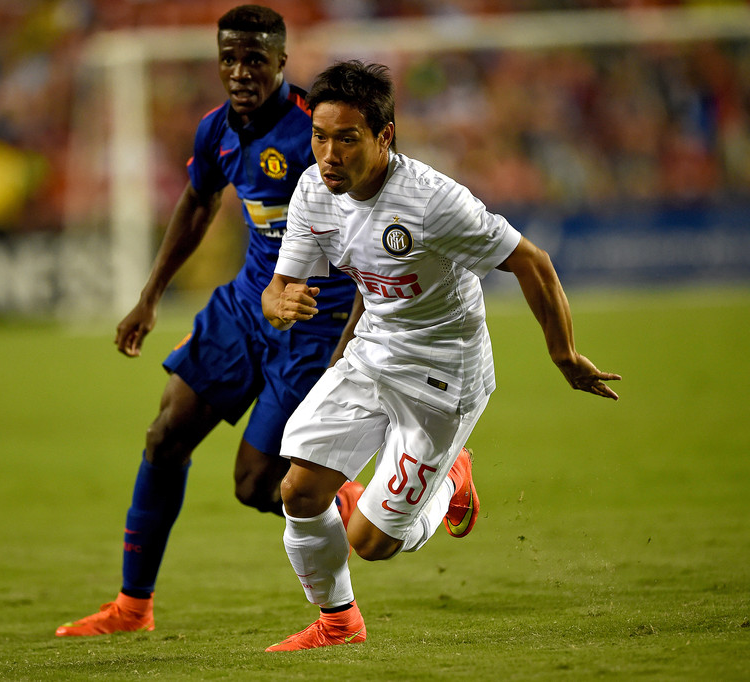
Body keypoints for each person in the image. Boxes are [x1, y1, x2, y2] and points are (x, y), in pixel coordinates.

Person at [260, 60, 621, 652]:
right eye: (319, 137)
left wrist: (564, 354)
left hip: (443, 374)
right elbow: (279, 291)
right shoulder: (312, 191)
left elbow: (531, 261)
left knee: (370, 543)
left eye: (346, 139)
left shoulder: (432, 202)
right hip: (373, 353)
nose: (328, 155)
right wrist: (283, 304)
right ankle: (338, 623)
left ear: (384, 136)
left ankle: (453, 480)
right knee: (298, 492)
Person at [55, 6, 363, 637]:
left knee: (258, 486)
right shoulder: (215, 130)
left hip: (314, 320)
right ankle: (132, 607)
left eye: (254, 59)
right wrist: (150, 294)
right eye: (229, 59)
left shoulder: (317, 132)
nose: (240, 71)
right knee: (166, 434)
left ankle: (399, 497)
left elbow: (370, 224)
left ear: (281, 62)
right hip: (248, 303)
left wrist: (355, 333)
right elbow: (198, 203)